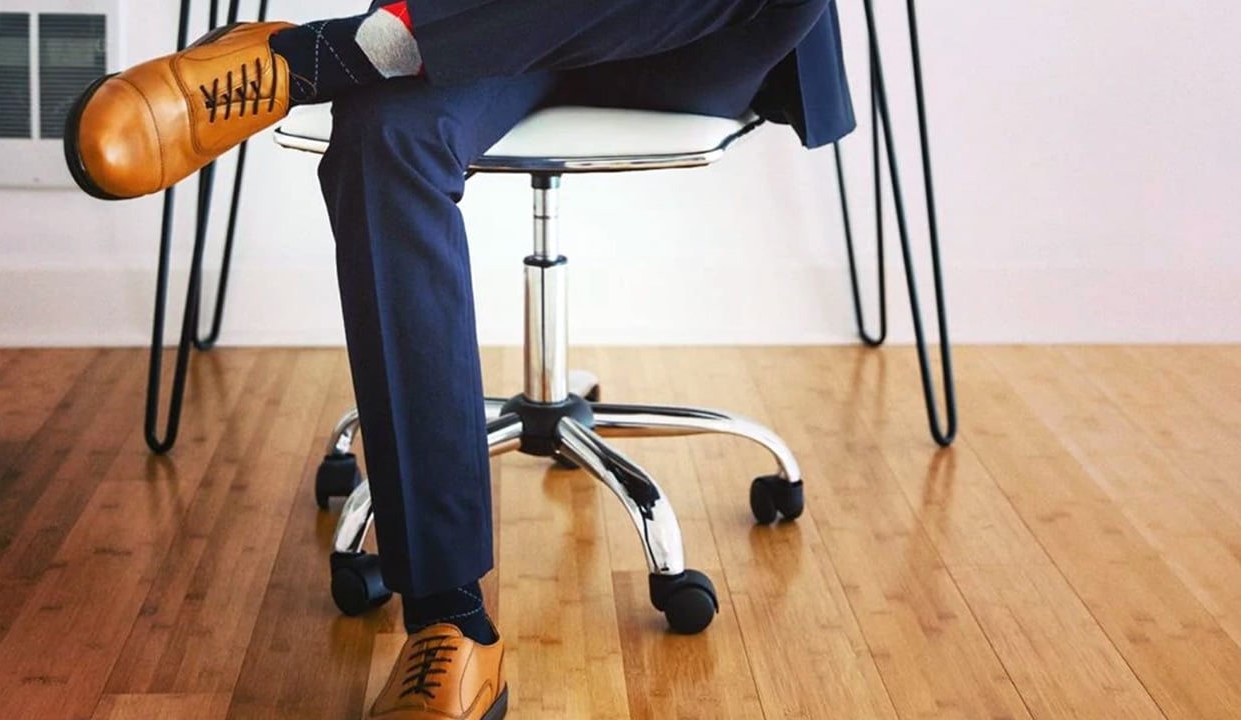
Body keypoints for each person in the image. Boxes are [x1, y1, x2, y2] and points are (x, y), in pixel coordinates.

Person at [64, 2, 854, 718]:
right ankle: (449, 623)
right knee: (386, 134)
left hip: (686, 34)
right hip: (487, 23)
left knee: (392, 70)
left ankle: (315, 60)